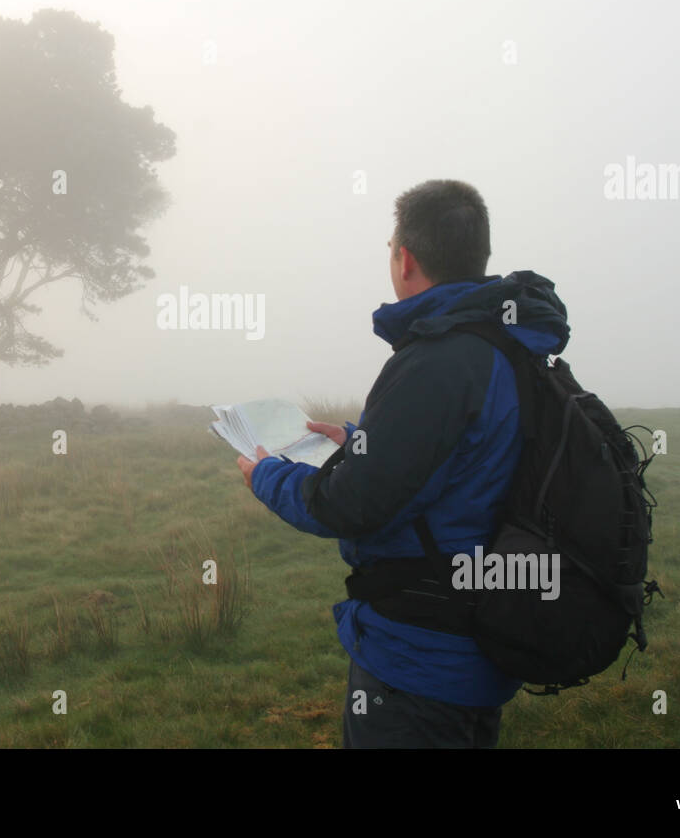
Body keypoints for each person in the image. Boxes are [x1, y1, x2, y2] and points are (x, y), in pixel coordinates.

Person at [236, 179, 570, 748]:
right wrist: (356, 438)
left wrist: (266, 475)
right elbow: (470, 456)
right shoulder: (507, 346)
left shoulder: (440, 359)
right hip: (482, 639)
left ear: (405, 257)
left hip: (421, 656)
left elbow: (351, 505)